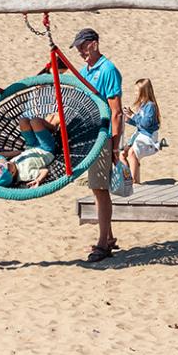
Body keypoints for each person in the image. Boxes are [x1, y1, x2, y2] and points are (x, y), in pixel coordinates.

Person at [70, 28, 123, 261]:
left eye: (83, 46)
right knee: (95, 187)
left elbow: (116, 112)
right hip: (89, 135)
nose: (81, 52)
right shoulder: (85, 71)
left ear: (94, 44)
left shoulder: (108, 70)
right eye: (79, 48)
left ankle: (103, 244)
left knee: (101, 190)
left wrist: (114, 145)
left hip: (102, 134)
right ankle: (108, 236)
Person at [121, 78, 163, 185]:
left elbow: (146, 123)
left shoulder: (151, 106)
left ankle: (134, 182)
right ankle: (130, 178)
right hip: (140, 134)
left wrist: (133, 115)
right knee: (122, 154)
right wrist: (128, 120)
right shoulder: (143, 105)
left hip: (148, 136)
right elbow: (139, 123)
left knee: (132, 153)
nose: (135, 93)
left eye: (137, 91)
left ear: (144, 92)